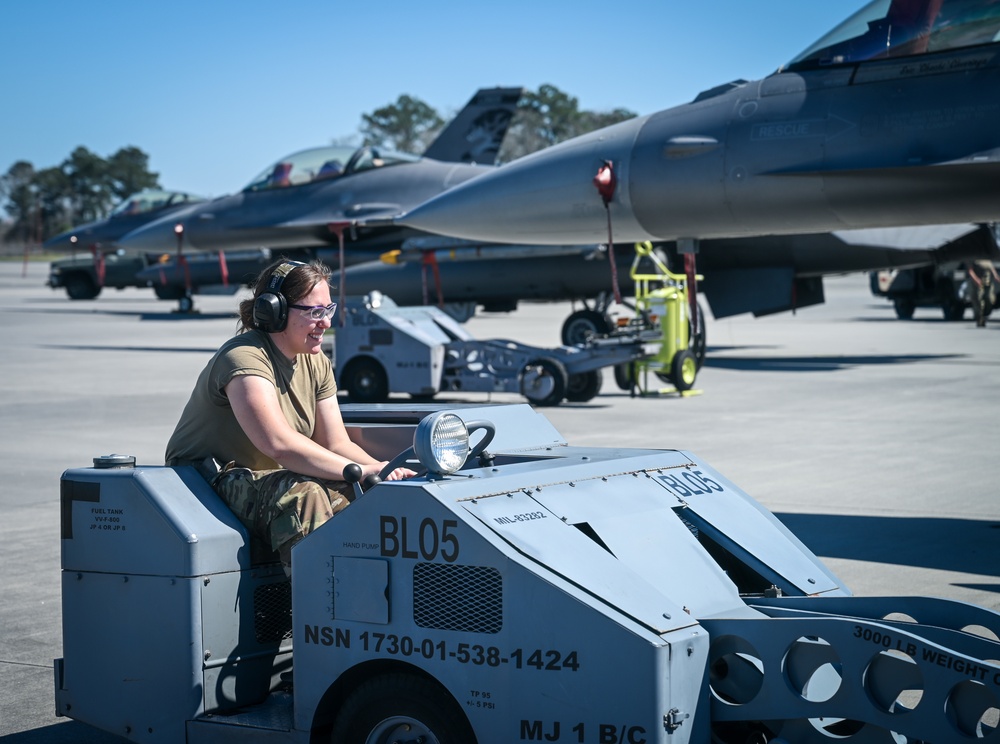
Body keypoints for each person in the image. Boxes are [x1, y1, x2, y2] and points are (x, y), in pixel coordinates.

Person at [166, 258, 414, 569]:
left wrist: (380, 472)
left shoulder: (315, 360)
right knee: (303, 497)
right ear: (275, 312)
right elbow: (278, 444)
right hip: (204, 482)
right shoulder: (244, 358)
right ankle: (318, 607)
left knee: (366, 493)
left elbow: (335, 444)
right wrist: (361, 469)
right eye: (314, 312)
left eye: (328, 310)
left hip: (264, 480)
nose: (325, 322)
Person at [967, 259, 1000, 327]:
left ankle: (985, 314)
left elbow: (991, 267)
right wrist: (976, 280)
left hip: (987, 280)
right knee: (978, 300)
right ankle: (980, 319)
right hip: (977, 281)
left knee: (989, 298)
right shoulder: (972, 257)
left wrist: (995, 276)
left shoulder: (986, 256)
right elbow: (970, 270)